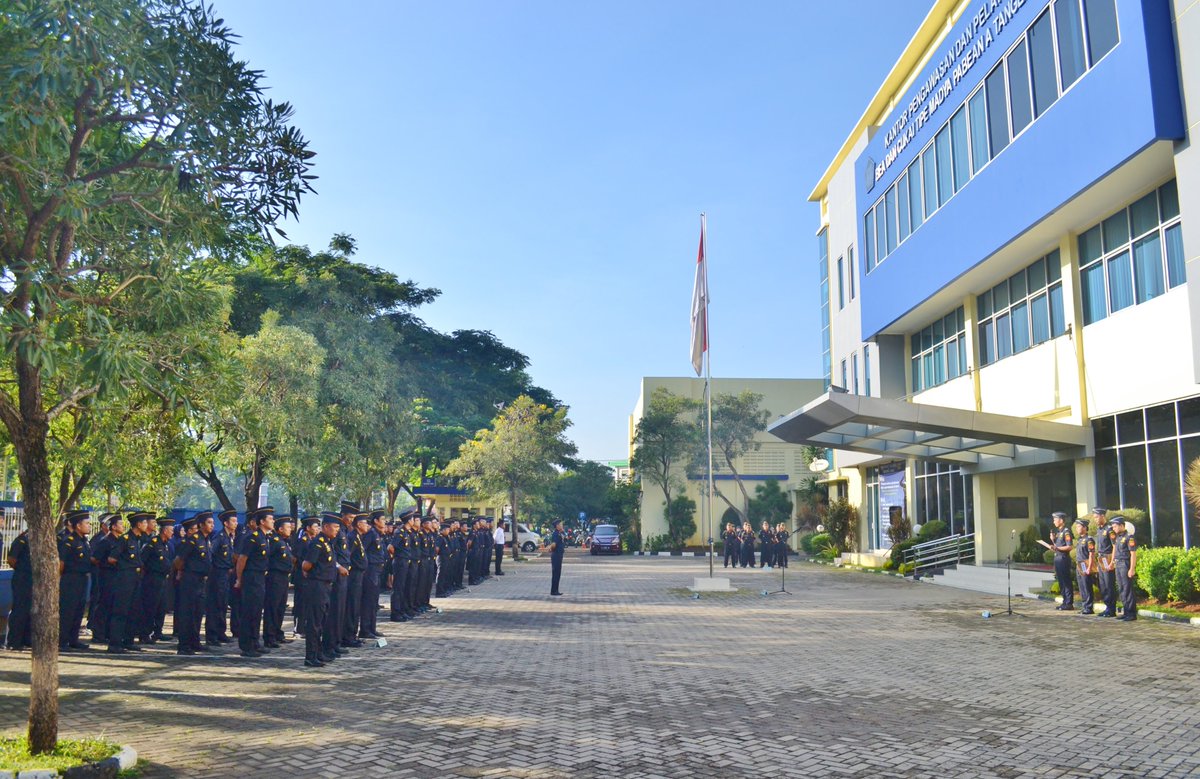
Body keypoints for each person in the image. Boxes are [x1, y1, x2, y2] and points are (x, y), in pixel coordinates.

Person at [106, 512, 149, 654]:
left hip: (135, 579)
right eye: (144, 522)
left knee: (133, 610)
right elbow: (112, 559)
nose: (146, 525)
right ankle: (115, 643)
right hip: (124, 579)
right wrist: (125, 566)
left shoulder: (138, 539)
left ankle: (128, 640)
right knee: (121, 611)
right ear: (137, 524)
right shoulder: (124, 539)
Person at [302, 513, 340, 667]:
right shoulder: (318, 543)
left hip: (325, 586)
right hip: (317, 586)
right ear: (326, 527)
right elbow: (306, 564)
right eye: (335, 527)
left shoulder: (327, 542)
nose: (337, 530)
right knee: (314, 622)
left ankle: (318, 653)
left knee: (322, 621)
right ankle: (310, 656)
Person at [235, 506, 274, 657]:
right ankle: (246, 646)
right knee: (249, 611)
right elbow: (241, 560)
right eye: (270, 519)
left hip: (260, 578)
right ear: (262, 521)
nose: (273, 521)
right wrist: (239, 579)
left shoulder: (264, 537)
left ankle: (254, 641)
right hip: (251, 577)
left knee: (257, 611)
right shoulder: (252, 537)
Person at [174, 513, 212, 655]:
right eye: (209, 522)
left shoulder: (206, 540)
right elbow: (178, 560)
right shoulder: (192, 540)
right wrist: (184, 572)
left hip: (201, 580)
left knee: (198, 612)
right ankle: (184, 645)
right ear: (201, 525)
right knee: (187, 613)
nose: (212, 525)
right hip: (190, 580)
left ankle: (194, 642)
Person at [58, 510, 92, 651]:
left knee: (79, 610)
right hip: (70, 580)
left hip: (82, 579)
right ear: (78, 525)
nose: (89, 526)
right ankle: (63, 641)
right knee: (68, 610)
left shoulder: (84, 541)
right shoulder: (68, 541)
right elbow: (61, 563)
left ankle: (73, 639)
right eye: (87, 523)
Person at [139, 516, 175, 644]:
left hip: (163, 579)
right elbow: (142, 560)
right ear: (164, 531)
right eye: (171, 530)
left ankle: (157, 632)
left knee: (161, 606)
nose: (173, 533)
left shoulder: (166, 545)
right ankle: (145, 633)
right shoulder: (152, 542)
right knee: (150, 607)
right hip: (152, 579)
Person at [264, 514, 295, 648]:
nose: (290, 529)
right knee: (273, 607)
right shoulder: (274, 541)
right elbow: (267, 559)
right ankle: (269, 636)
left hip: (283, 578)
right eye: (288, 527)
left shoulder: (284, 542)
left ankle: (277, 633)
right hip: (274, 576)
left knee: (281, 607)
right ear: (280, 529)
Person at [206, 509, 237, 644]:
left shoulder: (229, 537)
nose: (236, 523)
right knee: (216, 604)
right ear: (225, 523)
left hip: (226, 574)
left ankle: (221, 632)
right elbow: (210, 554)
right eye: (233, 521)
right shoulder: (219, 537)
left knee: (223, 604)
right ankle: (212, 635)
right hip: (218, 574)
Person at [359, 510, 387, 640]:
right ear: (375, 521)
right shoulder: (371, 534)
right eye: (382, 519)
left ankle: (372, 628)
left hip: (377, 570)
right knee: (368, 601)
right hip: (370, 570)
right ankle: (365, 629)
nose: (385, 521)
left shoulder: (377, 534)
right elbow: (362, 550)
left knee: (374, 601)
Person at [341, 512, 367, 649]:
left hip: (359, 575)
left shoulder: (357, 536)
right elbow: (347, 556)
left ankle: (353, 635)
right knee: (351, 605)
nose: (367, 525)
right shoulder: (352, 537)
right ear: (359, 524)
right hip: (353, 575)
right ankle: (348, 636)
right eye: (365, 523)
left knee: (355, 605)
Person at [5, 526, 31, 651]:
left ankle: (27, 639)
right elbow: (11, 559)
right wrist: (22, 570)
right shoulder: (22, 539)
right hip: (22, 578)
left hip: (33, 578)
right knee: (20, 609)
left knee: (30, 610)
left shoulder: (38, 540)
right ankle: (14, 641)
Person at [1109, 515, 1138, 621]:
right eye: (1112, 526)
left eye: (1115, 526)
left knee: (1127, 589)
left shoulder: (1129, 537)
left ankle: (1131, 613)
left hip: (1125, 564)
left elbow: (1133, 554)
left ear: (1122, 525)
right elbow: (1116, 551)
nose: (1113, 528)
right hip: (1118, 564)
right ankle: (1126, 612)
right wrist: (1112, 562)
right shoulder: (1118, 538)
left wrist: (1132, 568)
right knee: (1121, 589)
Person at [1093, 508, 1117, 617]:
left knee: (1109, 584)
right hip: (1101, 559)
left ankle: (1112, 609)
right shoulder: (1099, 529)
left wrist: (1112, 561)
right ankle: (1107, 607)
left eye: (1097, 517)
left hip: (1108, 558)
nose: (1095, 519)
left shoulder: (1109, 529)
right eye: (1094, 517)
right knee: (1102, 585)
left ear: (1103, 516)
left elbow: (1115, 546)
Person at [1050, 512, 1074, 611]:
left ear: (1061, 520)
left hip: (1063, 559)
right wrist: (1053, 541)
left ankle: (1069, 603)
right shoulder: (1059, 532)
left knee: (1065, 581)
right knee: (1061, 582)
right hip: (1058, 558)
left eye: (1055, 519)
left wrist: (1057, 547)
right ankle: (1065, 602)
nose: (1054, 522)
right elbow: (1058, 547)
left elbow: (1069, 546)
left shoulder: (1066, 532)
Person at [1074, 518, 1096, 615]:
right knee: (1082, 586)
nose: (1077, 528)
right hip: (1079, 564)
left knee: (1087, 586)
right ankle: (1084, 606)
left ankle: (1089, 607)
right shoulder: (1080, 539)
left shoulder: (1089, 540)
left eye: (1079, 526)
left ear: (1084, 527)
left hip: (1085, 564)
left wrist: (1089, 567)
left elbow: (1091, 554)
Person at [549, 518, 566, 596]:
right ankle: (554, 591)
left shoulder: (560, 533)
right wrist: (550, 549)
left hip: (559, 555)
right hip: (556, 555)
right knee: (556, 573)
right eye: (561, 524)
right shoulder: (555, 534)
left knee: (558, 573)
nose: (562, 525)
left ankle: (556, 590)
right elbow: (554, 544)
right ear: (557, 526)